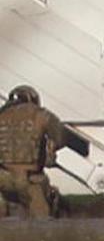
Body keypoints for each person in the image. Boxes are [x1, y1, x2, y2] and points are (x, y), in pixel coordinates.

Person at [0, 85, 67, 218]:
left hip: (2, 178)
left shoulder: (2, 114)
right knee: (41, 226)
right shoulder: (42, 115)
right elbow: (61, 138)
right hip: (31, 179)